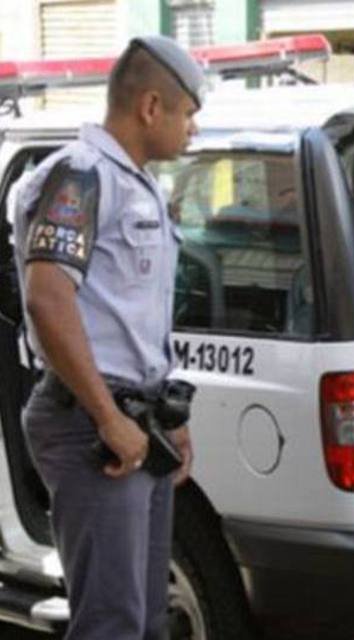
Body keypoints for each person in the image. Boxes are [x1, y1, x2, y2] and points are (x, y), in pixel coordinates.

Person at [12, 36, 203, 638]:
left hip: (132, 418)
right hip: (92, 424)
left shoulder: (133, 182)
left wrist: (163, 417)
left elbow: (128, 317)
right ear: (151, 106)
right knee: (111, 623)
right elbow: (48, 299)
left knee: (144, 619)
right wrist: (108, 418)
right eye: (188, 112)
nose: (193, 128)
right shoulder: (81, 178)